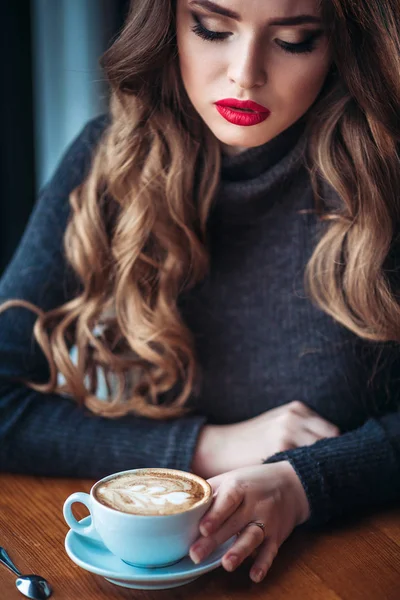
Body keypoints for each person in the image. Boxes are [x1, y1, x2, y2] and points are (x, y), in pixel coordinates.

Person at [0, 0, 399, 585]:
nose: (245, 73)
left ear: (341, 43)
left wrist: (306, 481)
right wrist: (208, 448)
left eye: (293, 41)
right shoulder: (109, 159)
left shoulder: (385, 173)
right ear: (167, 27)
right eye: (212, 29)